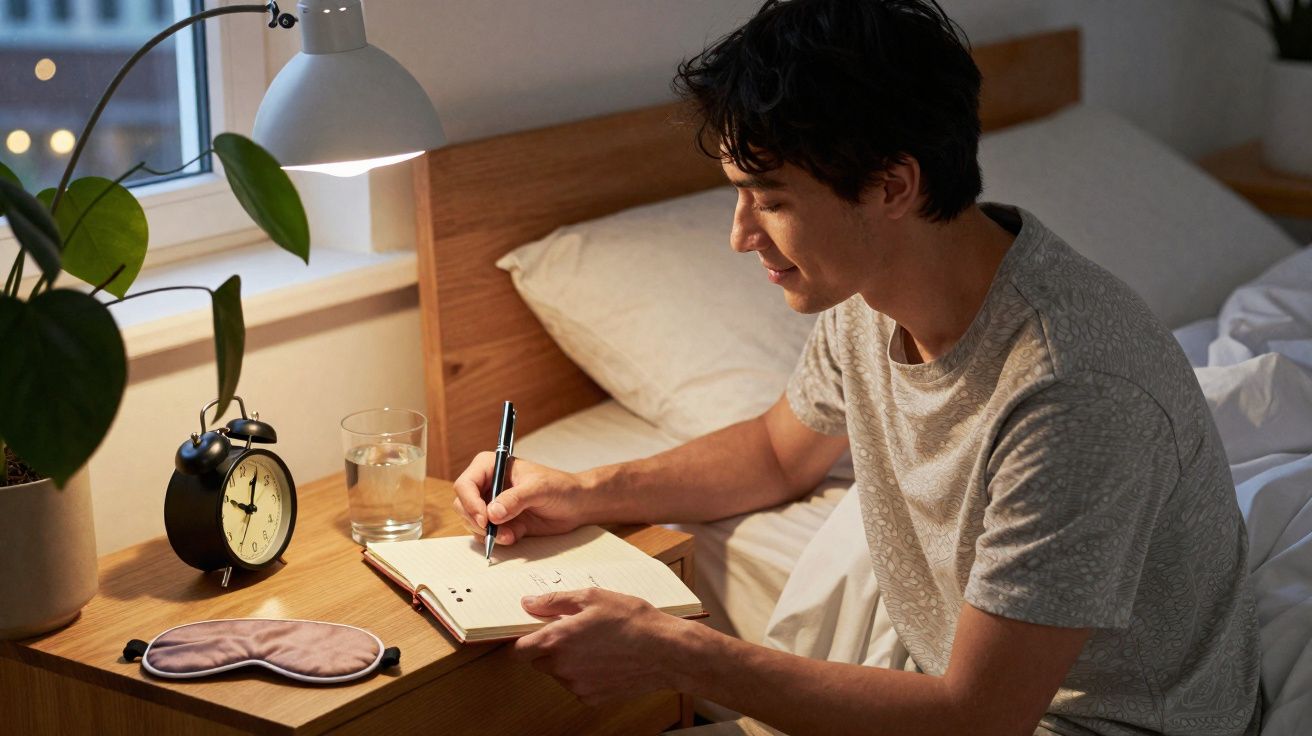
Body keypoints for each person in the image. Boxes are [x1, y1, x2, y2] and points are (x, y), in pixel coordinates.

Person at [451, 1, 1262, 733]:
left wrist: (678, 656)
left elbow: (979, 717)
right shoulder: (869, 294)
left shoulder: (1069, 390)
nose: (740, 236)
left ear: (893, 186)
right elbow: (777, 453)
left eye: (769, 199)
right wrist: (579, 492)